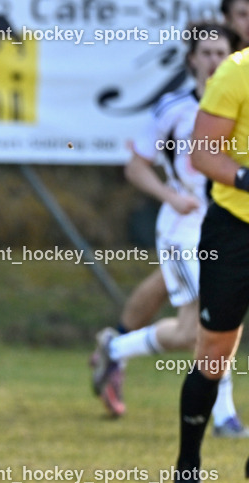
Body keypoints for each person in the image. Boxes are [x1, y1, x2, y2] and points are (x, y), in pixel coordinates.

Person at [90, 24, 245, 437]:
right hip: (184, 229)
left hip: (227, 226)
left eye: (221, 52)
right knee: (212, 327)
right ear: (192, 58)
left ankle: (116, 348)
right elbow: (136, 165)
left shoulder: (240, 101)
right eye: (206, 52)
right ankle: (225, 417)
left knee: (189, 330)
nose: (214, 60)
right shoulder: (173, 109)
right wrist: (170, 196)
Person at [176, 26, 249, 483]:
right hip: (235, 228)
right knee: (214, 354)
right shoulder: (237, 72)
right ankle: (188, 470)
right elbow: (203, 154)